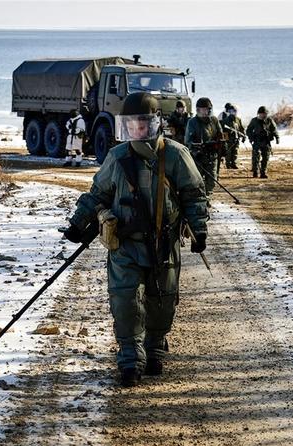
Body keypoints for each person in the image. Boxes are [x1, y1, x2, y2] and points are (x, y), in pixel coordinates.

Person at [62, 92, 208, 387]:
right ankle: (130, 359)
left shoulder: (176, 155)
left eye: (142, 124)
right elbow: (97, 195)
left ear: (155, 123)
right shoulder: (117, 158)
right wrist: (78, 224)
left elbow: (194, 195)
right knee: (126, 301)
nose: (136, 130)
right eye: (130, 125)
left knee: (162, 301)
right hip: (125, 245)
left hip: (163, 244)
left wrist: (199, 230)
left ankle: (154, 350)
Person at [184, 97, 224, 200]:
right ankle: (202, 198)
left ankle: (207, 196)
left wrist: (221, 145)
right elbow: (188, 141)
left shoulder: (214, 120)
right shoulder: (192, 122)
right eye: (205, 109)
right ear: (198, 110)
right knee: (198, 180)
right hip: (198, 156)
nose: (207, 111)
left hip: (212, 155)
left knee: (212, 180)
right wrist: (196, 147)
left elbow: (220, 135)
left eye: (209, 109)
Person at [246, 106, 279, 178]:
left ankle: (263, 172)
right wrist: (251, 138)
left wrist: (277, 137)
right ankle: (255, 171)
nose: (263, 115)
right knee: (256, 157)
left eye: (264, 114)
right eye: (261, 114)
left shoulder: (269, 120)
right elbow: (248, 130)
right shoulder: (254, 120)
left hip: (266, 141)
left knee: (266, 157)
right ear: (258, 114)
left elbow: (274, 129)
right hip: (257, 141)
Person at [220, 103, 246, 169]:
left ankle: (233, 163)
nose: (233, 113)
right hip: (229, 139)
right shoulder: (225, 120)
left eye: (234, 111)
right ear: (229, 112)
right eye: (231, 111)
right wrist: (225, 140)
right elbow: (223, 131)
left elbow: (241, 128)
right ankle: (228, 164)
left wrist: (243, 136)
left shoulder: (238, 120)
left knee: (235, 151)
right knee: (229, 152)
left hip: (236, 138)